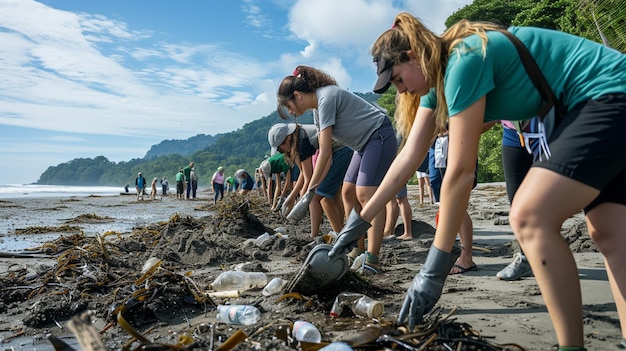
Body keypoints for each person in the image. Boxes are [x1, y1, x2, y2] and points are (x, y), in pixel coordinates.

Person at [329, 12, 626, 350]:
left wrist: (433, 269)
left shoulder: (464, 59)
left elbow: (459, 172)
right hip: (590, 104)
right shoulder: (434, 86)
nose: (401, 90)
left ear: (413, 57)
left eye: (397, 79)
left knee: (530, 216)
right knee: (610, 233)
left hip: (608, 93)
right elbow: (406, 161)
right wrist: (360, 221)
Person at [277, 65, 397, 275]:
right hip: (361, 145)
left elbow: (324, 152)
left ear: (296, 95)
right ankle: (357, 248)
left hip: (379, 135)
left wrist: (310, 191)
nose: (290, 111)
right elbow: (327, 157)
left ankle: (373, 259)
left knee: (366, 195)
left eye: (288, 105)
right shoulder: (317, 109)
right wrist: (311, 190)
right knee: (347, 192)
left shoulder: (326, 97)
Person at [268, 122, 352, 238]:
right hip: (336, 151)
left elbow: (308, 179)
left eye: (280, 149)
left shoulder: (302, 142)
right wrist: (290, 198)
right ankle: (340, 231)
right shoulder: (297, 137)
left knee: (318, 198)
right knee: (333, 196)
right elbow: (303, 173)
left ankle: (332, 235)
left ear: (288, 138)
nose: (281, 152)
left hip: (341, 149)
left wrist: (302, 199)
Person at [495, 118, 540, 281]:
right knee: (517, 204)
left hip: (549, 130)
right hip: (513, 132)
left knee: (545, 203)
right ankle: (526, 258)